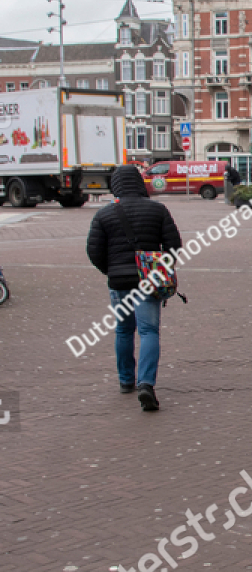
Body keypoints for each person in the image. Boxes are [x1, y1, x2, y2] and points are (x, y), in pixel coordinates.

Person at [85, 163, 182, 412]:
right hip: (148, 281)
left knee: (123, 331)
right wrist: (161, 270)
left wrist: (111, 270)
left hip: (119, 282)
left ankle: (126, 380)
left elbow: (93, 250)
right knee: (149, 331)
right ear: (139, 184)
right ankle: (146, 384)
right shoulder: (157, 210)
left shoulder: (104, 214)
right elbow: (174, 245)